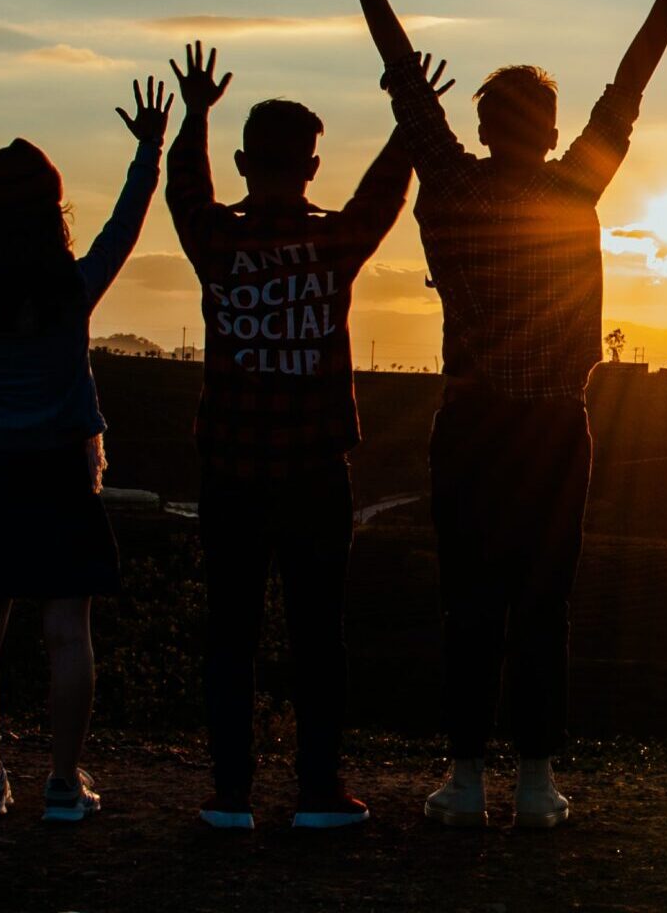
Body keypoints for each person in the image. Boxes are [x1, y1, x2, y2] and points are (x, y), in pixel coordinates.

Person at [313, 0, 667, 829]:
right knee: (543, 602)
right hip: (549, 429)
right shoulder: (574, 184)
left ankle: (464, 777)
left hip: (472, 424)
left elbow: (404, 82)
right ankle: (535, 780)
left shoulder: (452, 183)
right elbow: (629, 86)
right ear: (544, 128)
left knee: (469, 601)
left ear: (486, 122)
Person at [162, 42, 451, 831]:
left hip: (229, 470)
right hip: (317, 473)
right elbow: (385, 195)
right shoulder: (332, 244)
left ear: (245, 161)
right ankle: (319, 791)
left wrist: (192, 113)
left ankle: (229, 793)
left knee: (231, 633)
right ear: (313, 165)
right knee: (320, 635)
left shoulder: (216, 243)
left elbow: (183, 190)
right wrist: (408, 119)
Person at [0, 76, 172, 824]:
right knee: (68, 634)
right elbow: (125, 226)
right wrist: (148, 152)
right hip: (64, 473)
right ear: (53, 209)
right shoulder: (73, 286)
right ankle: (64, 783)